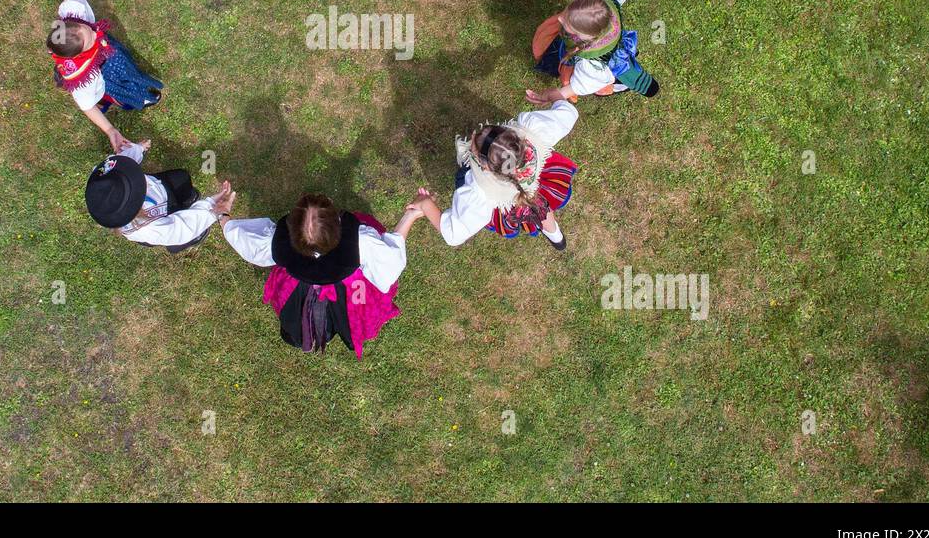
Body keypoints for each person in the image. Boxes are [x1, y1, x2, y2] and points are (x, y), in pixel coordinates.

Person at [222, 194, 421, 357]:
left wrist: (222, 215)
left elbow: (244, 241)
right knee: (355, 310)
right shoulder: (361, 241)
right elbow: (391, 260)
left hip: (296, 288)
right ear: (338, 224)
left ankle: (309, 327)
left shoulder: (277, 242)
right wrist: (409, 217)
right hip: (351, 290)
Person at [410, 100, 579, 250]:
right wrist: (555, 95)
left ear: (485, 166)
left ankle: (556, 237)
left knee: (463, 176)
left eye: (474, 147)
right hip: (534, 186)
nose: (475, 134)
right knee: (539, 207)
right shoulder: (532, 129)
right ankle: (556, 237)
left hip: (504, 202)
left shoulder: (479, 190)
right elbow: (569, 113)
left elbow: (454, 235)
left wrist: (425, 204)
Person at [47, 0, 164, 152]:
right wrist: (110, 129)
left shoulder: (71, 16)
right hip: (106, 75)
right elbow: (87, 106)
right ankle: (137, 99)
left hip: (109, 55)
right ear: (77, 55)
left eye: (87, 28)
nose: (95, 33)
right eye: (89, 40)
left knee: (129, 70)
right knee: (121, 89)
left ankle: (134, 86)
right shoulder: (83, 80)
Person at [85, 140, 236, 253]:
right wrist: (211, 207)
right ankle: (185, 242)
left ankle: (185, 201)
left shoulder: (103, 178)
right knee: (178, 239)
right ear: (135, 206)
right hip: (164, 215)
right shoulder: (146, 227)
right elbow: (181, 229)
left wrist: (138, 149)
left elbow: (121, 162)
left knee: (181, 177)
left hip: (159, 190)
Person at [528, 0, 661, 101]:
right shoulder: (604, 3)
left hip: (605, 73)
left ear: (584, 37)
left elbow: (572, 89)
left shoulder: (593, 69)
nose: (560, 18)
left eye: (567, 23)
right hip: (610, 52)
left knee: (607, 82)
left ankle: (620, 85)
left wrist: (548, 96)